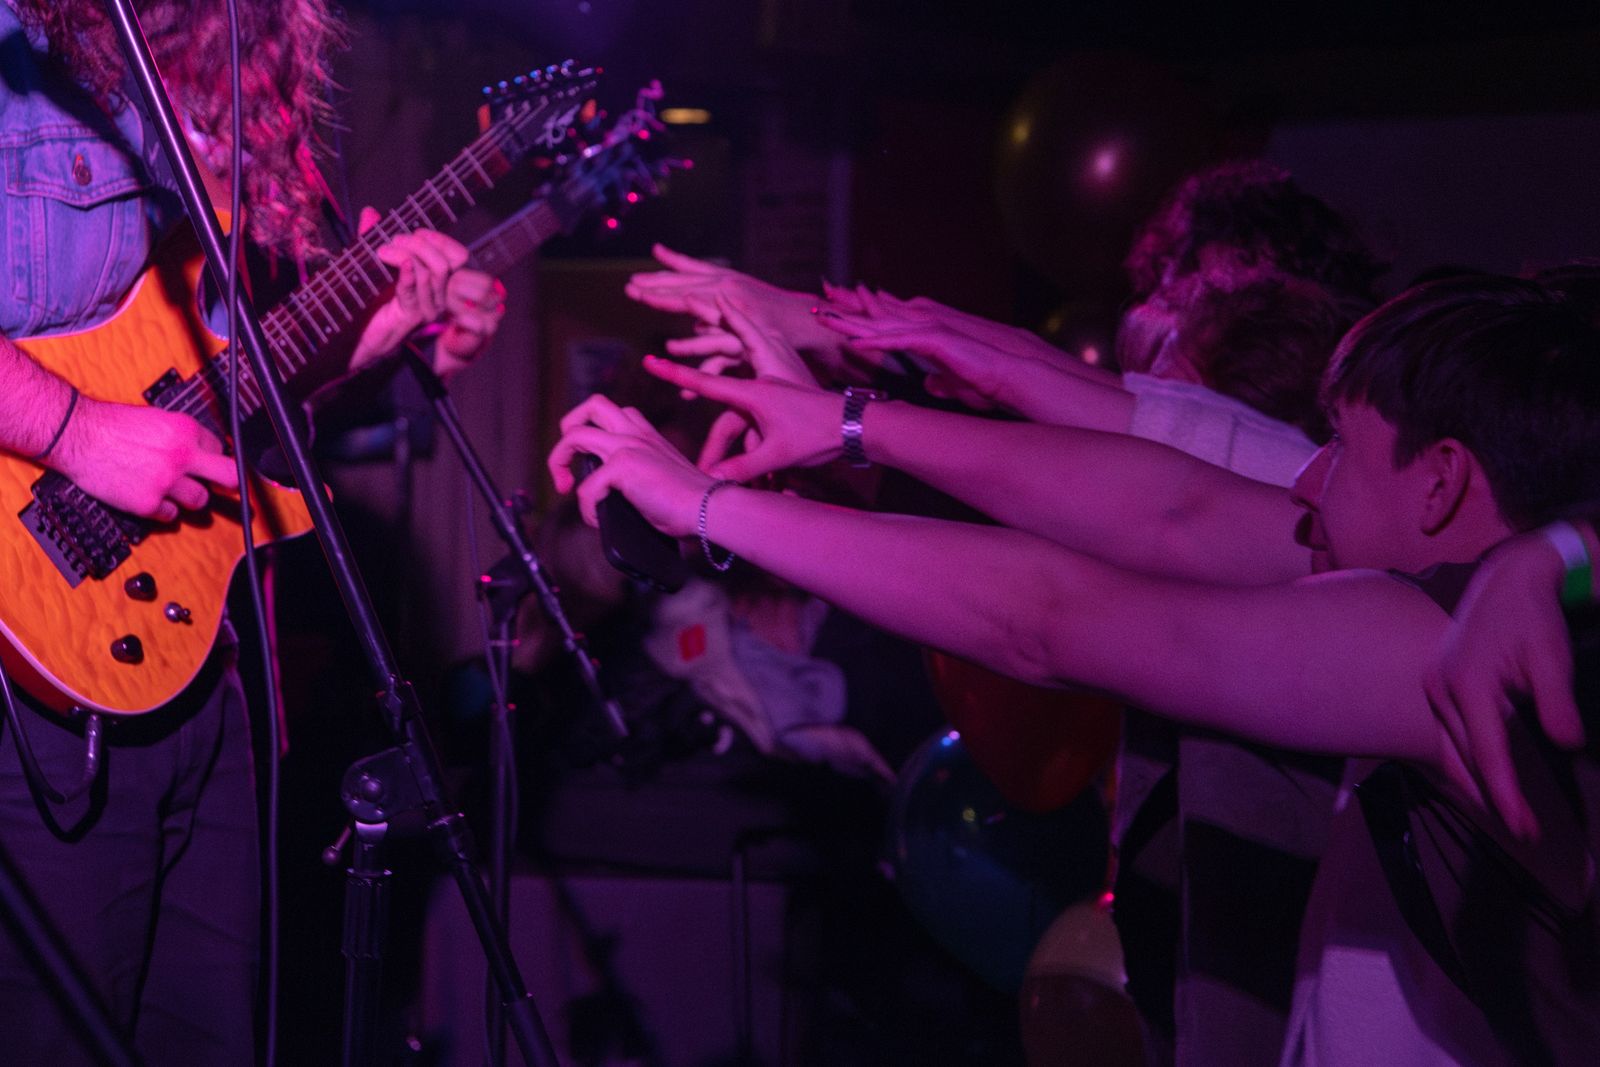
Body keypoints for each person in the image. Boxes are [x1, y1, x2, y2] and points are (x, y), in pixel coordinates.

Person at [551, 274, 1600, 1065]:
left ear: (1442, 482)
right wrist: (850, 425)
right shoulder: (1464, 600)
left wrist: (705, 506)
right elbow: (1174, 510)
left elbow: (1049, 620)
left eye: (1342, 447)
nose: (1306, 477)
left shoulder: (1441, 650)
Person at [0, 2, 501, 1063]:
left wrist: (363, 340)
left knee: (212, 1030)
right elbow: (104, 420)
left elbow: (209, 394)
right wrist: (74, 430)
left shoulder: (192, 68)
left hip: (187, 645)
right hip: (27, 654)